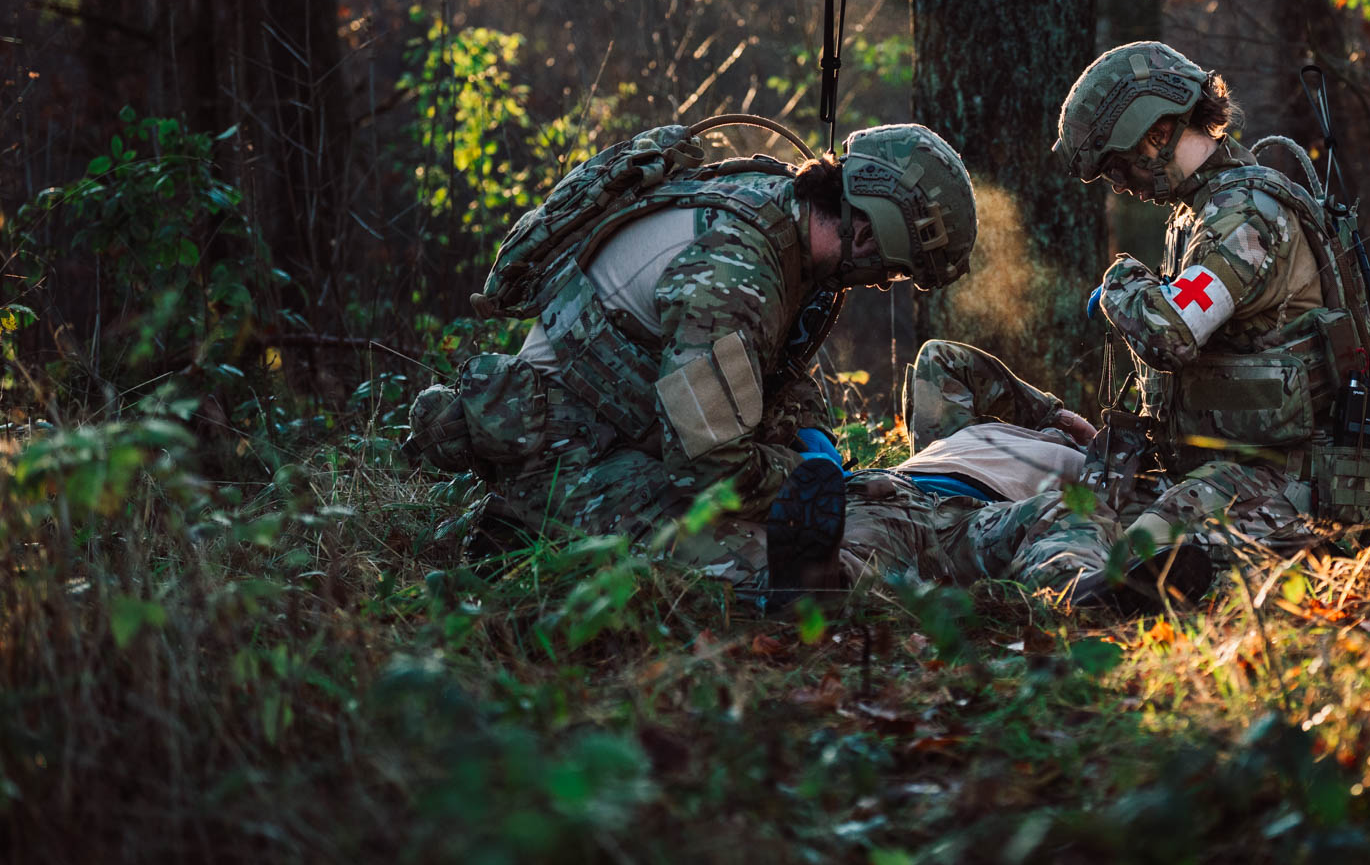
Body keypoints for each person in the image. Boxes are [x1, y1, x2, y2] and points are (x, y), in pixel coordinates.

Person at [404, 121, 978, 597]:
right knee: (784, 575)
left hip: (626, 437)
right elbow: (709, 471)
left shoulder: (775, 207)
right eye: (897, 269)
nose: (885, 282)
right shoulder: (734, 274)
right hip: (569, 462)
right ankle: (524, 537)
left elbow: (777, 365)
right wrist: (809, 478)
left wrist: (812, 443)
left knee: (816, 533)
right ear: (871, 232)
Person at [1051, 40, 1370, 565]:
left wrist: (1122, 282)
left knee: (1133, 563)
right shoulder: (1202, 211)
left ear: (1157, 133)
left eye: (1119, 166)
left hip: (1287, 477)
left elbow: (1168, 332)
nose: (1121, 185)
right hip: (1228, 466)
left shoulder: (1245, 214)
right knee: (1063, 527)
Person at [833, 339, 1213, 612]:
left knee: (1065, 512)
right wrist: (1058, 417)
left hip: (979, 523)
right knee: (835, 571)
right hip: (895, 491)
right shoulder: (955, 435)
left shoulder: (1105, 470)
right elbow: (942, 358)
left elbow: (1123, 514)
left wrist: (1110, 456)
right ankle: (804, 572)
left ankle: (1081, 589)